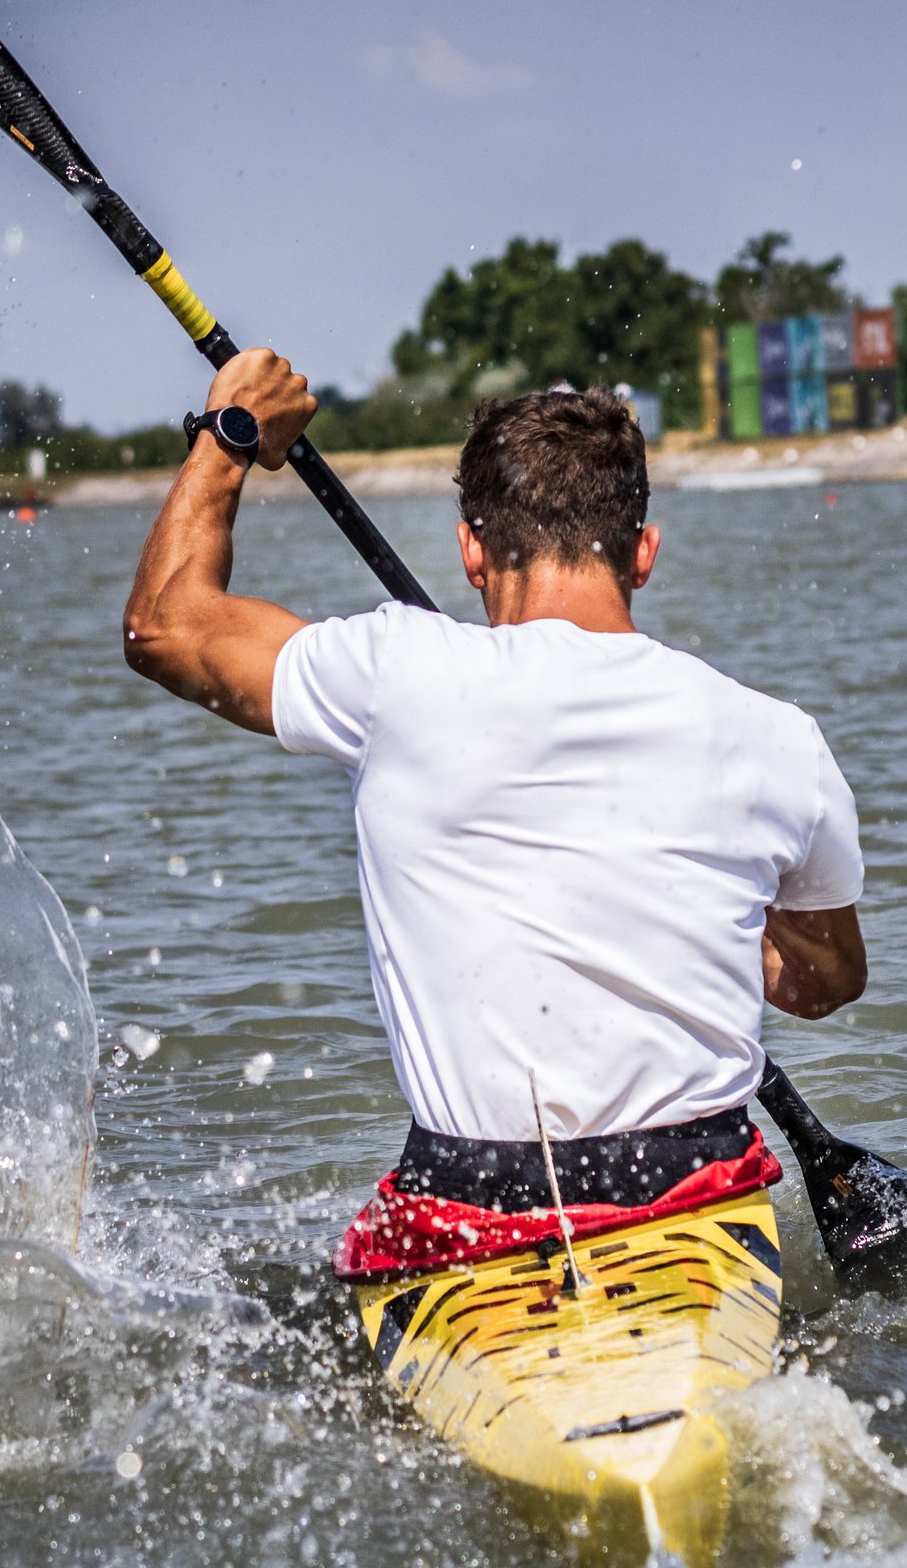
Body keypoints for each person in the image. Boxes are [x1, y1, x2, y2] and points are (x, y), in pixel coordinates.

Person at [122, 350, 868, 1274]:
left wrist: (229, 433)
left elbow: (162, 628)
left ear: (471, 551)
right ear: (644, 552)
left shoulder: (396, 673)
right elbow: (825, 983)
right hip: (696, 1191)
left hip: (470, 1209)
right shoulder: (780, 739)